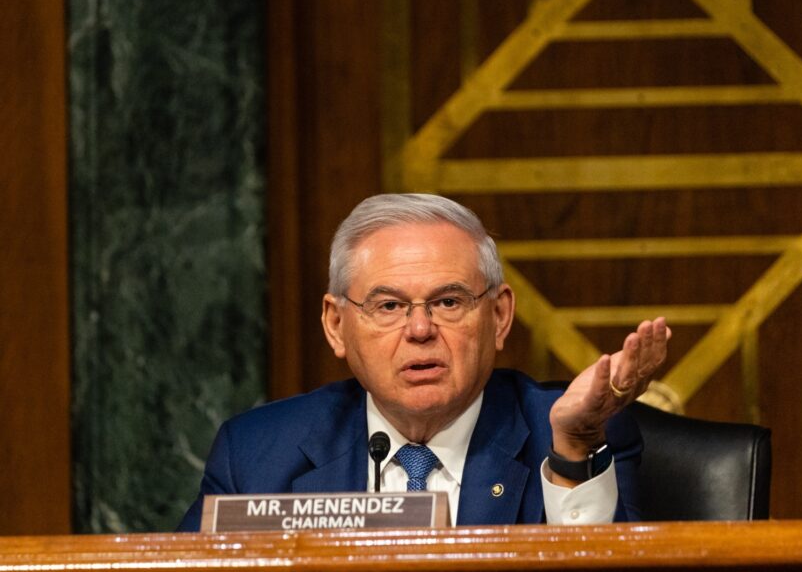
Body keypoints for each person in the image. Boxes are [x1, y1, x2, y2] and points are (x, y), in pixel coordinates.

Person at [179, 193, 671, 529]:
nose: (419, 330)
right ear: (336, 325)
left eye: (449, 302)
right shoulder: (257, 455)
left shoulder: (571, 435)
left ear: (499, 316)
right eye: (388, 305)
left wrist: (573, 452)